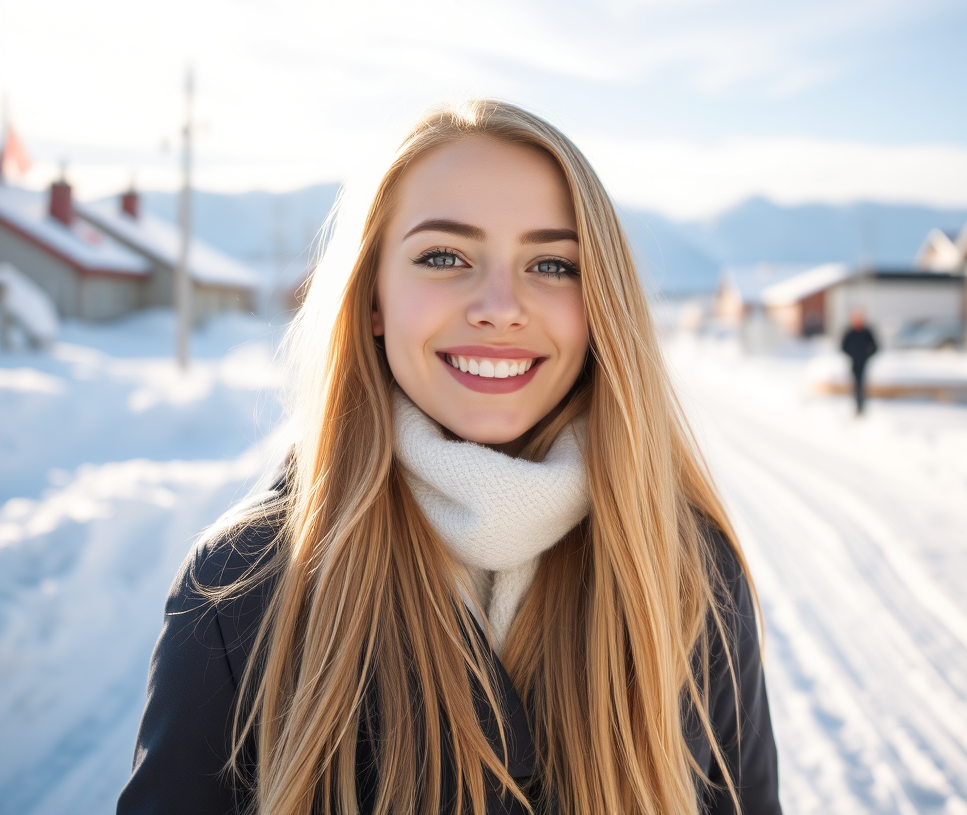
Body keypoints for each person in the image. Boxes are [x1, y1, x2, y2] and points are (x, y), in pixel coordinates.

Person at [117, 101, 781, 815]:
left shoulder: (686, 573)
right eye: (443, 257)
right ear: (372, 297)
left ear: (601, 306)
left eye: (553, 264)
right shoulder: (241, 586)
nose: (501, 306)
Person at [841, 310, 878, 416]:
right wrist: (852, 354)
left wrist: (867, 355)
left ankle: (861, 407)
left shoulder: (867, 332)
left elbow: (875, 347)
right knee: (855, 385)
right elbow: (843, 347)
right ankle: (857, 407)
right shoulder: (850, 332)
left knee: (861, 385)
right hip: (854, 362)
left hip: (864, 362)